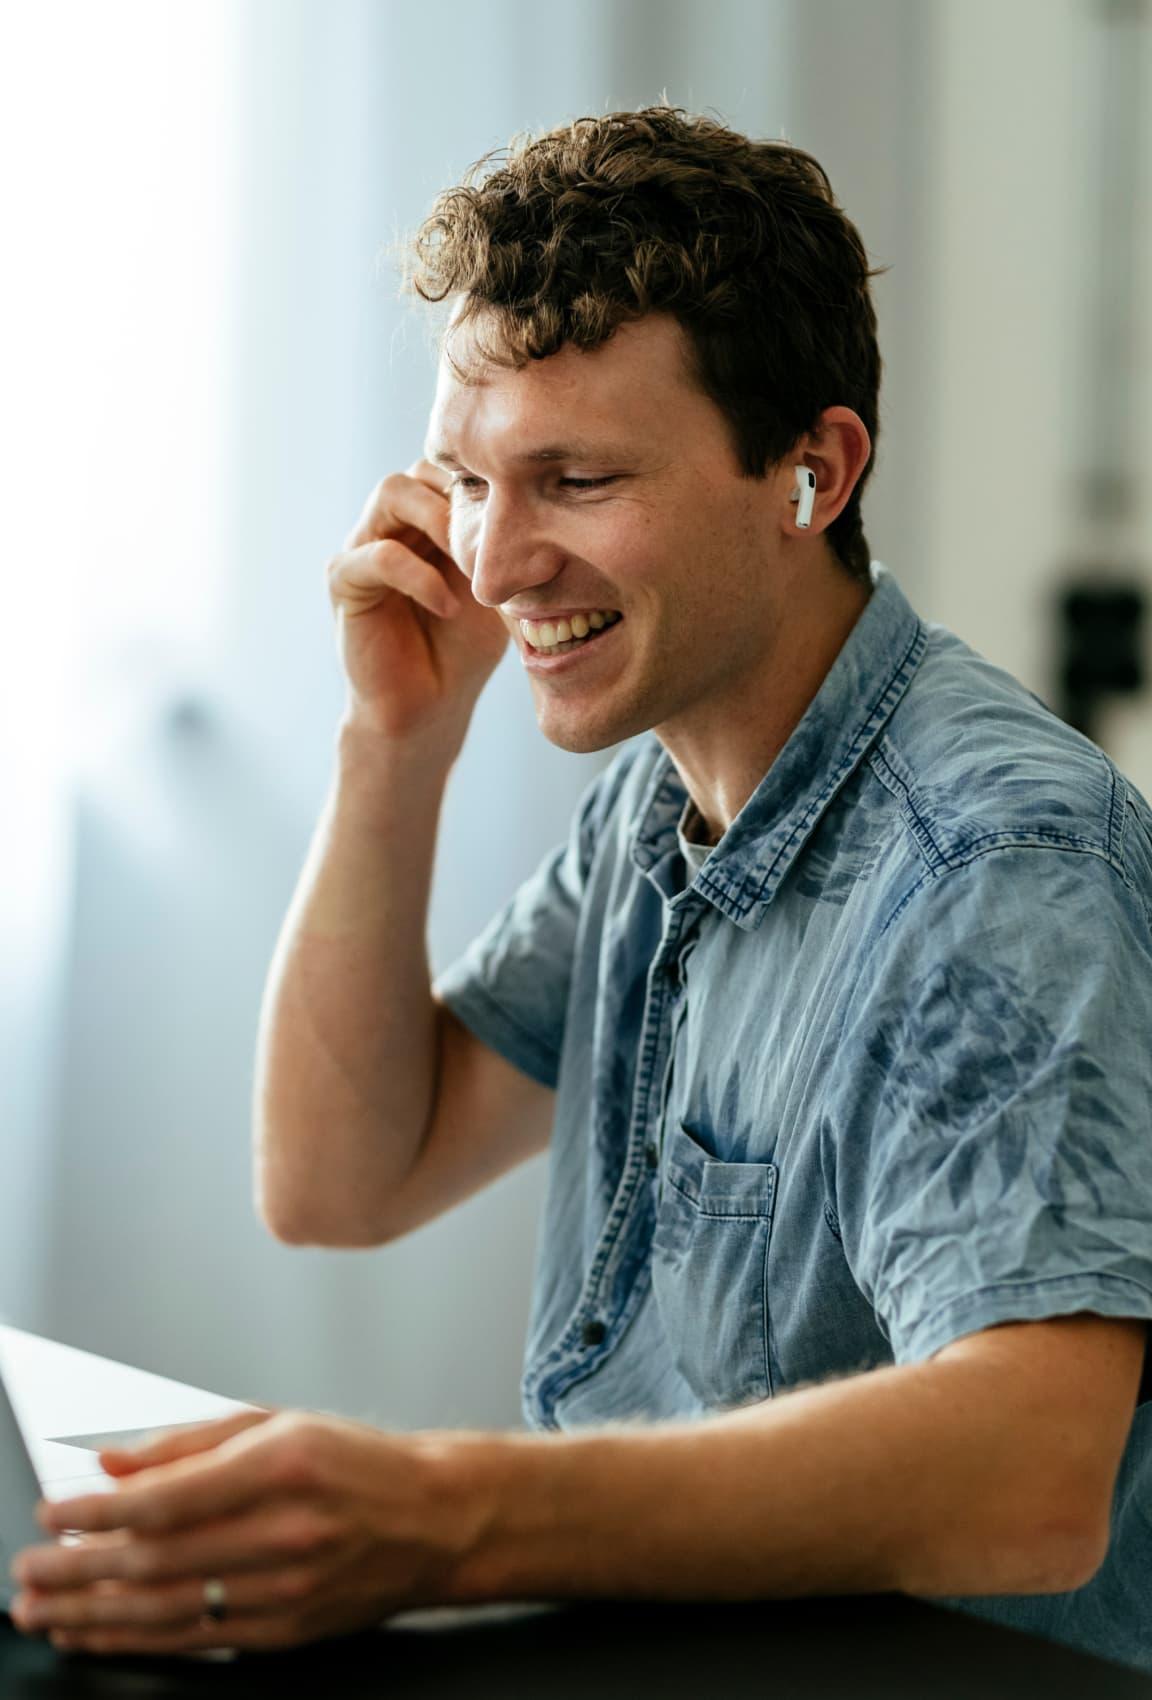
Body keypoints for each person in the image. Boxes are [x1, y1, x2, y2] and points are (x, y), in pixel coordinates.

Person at [9, 104, 1151, 1671]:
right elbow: (339, 1178)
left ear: (811, 472)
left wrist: (448, 1513)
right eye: (467, 481)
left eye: (577, 479)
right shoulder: (657, 799)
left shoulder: (995, 861)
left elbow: (1035, 1476)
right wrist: (393, 741)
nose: (492, 566)